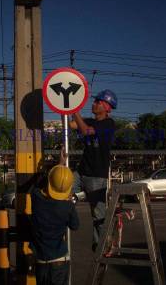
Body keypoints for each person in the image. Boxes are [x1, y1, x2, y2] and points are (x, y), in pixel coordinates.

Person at [69, 89, 117, 252]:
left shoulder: (108, 124)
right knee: (63, 191)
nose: (94, 103)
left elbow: (86, 131)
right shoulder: (89, 120)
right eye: (95, 101)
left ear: (107, 107)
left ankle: (103, 245)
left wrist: (76, 112)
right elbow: (72, 124)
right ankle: (68, 219)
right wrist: (70, 107)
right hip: (82, 172)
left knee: (98, 215)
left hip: (97, 175)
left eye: (98, 102)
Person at [30, 164, 80, 285]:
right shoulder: (67, 207)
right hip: (59, 261)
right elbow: (75, 225)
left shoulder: (36, 198)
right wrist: (69, 203)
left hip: (41, 261)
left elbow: (39, 184)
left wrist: (57, 166)